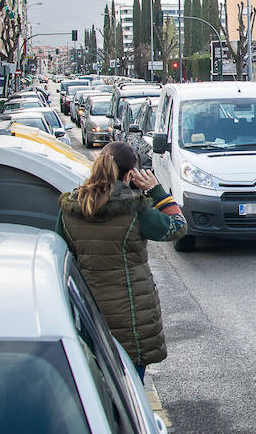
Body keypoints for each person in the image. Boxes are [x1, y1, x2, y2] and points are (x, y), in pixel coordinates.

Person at [56, 142, 186, 383]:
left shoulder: (71, 207)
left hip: (90, 313)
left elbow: (62, 254)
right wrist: (156, 191)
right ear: (129, 174)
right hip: (132, 318)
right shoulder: (134, 208)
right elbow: (177, 227)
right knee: (131, 386)